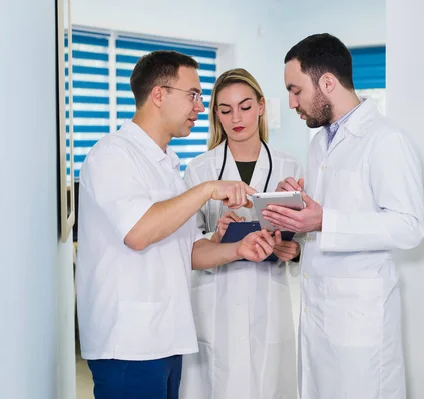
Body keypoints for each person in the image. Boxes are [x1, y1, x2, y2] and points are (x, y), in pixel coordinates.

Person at [76, 51, 279, 399]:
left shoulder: (166, 164)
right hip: (129, 343)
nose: (201, 107)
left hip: (166, 339)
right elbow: (138, 232)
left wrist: (237, 249)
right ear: (159, 94)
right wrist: (206, 190)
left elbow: (189, 249)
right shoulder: (112, 155)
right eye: (193, 95)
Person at [262, 34, 424, 399]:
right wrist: (299, 207)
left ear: (327, 83)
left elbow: (409, 226)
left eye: (295, 90)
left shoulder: (386, 140)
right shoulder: (320, 141)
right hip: (319, 309)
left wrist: (324, 221)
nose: (290, 103)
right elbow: (328, 214)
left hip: (359, 320)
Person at [179, 68, 303, 399]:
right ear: (216, 115)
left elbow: (305, 236)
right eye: (225, 109)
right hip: (215, 301)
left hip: (269, 299)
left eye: (245, 107)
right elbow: (184, 246)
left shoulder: (289, 167)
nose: (237, 118)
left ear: (261, 107)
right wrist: (216, 235)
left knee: (269, 384)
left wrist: (295, 251)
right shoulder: (199, 171)